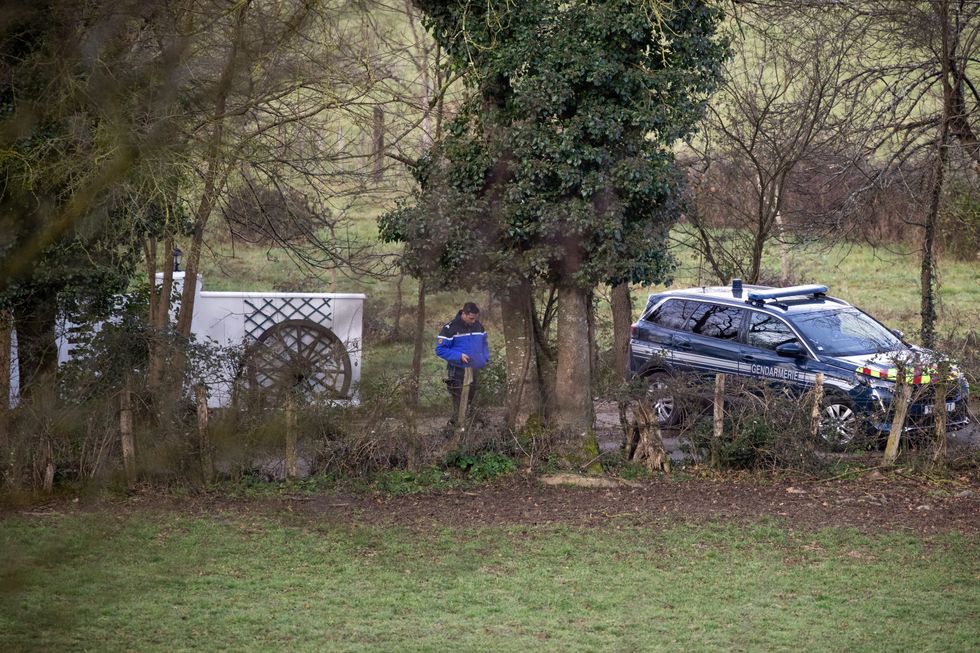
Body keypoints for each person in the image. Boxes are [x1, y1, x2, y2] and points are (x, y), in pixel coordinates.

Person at [435, 302, 490, 425]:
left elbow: (484, 343)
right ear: (463, 314)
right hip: (457, 370)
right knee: (459, 402)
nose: (473, 321)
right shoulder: (450, 328)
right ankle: (456, 428)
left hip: (474, 369)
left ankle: (468, 426)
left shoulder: (478, 326)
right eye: (471, 318)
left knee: (470, 399)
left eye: (475, 318)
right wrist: (459, 356)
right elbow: (440, 350)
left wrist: (485, 358)